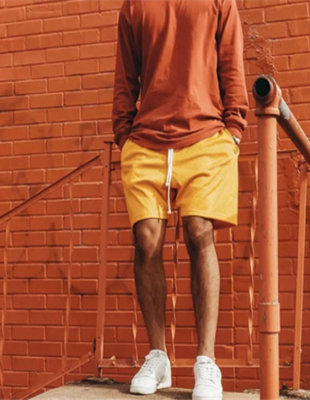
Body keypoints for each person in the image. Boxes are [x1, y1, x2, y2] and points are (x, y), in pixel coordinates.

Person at [112, 0, 248, 399]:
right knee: (146, 239)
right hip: (146, 140)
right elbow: (126, 74)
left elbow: (231, 61)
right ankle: (158, 356)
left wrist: (234, 128)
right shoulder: (134, 5)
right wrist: (123, 133)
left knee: (198, 231)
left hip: (206, 135)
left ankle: (206, 361)